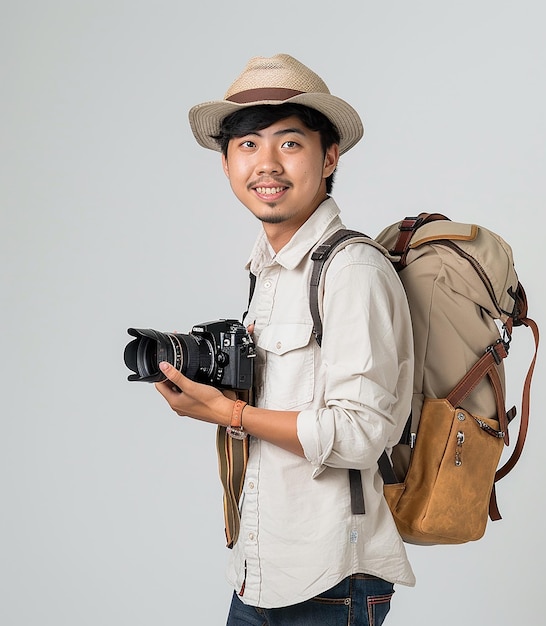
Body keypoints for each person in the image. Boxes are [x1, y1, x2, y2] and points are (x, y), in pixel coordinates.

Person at [155, 53, 415, 626]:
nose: (266, 163)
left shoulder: (351, 269)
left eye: (289, 143)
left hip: (329, 580)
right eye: (248, 145)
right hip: (258, 571)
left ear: (329, 159)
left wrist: (231, 413)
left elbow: (361, 433)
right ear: (225, 165)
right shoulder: (267, 270)